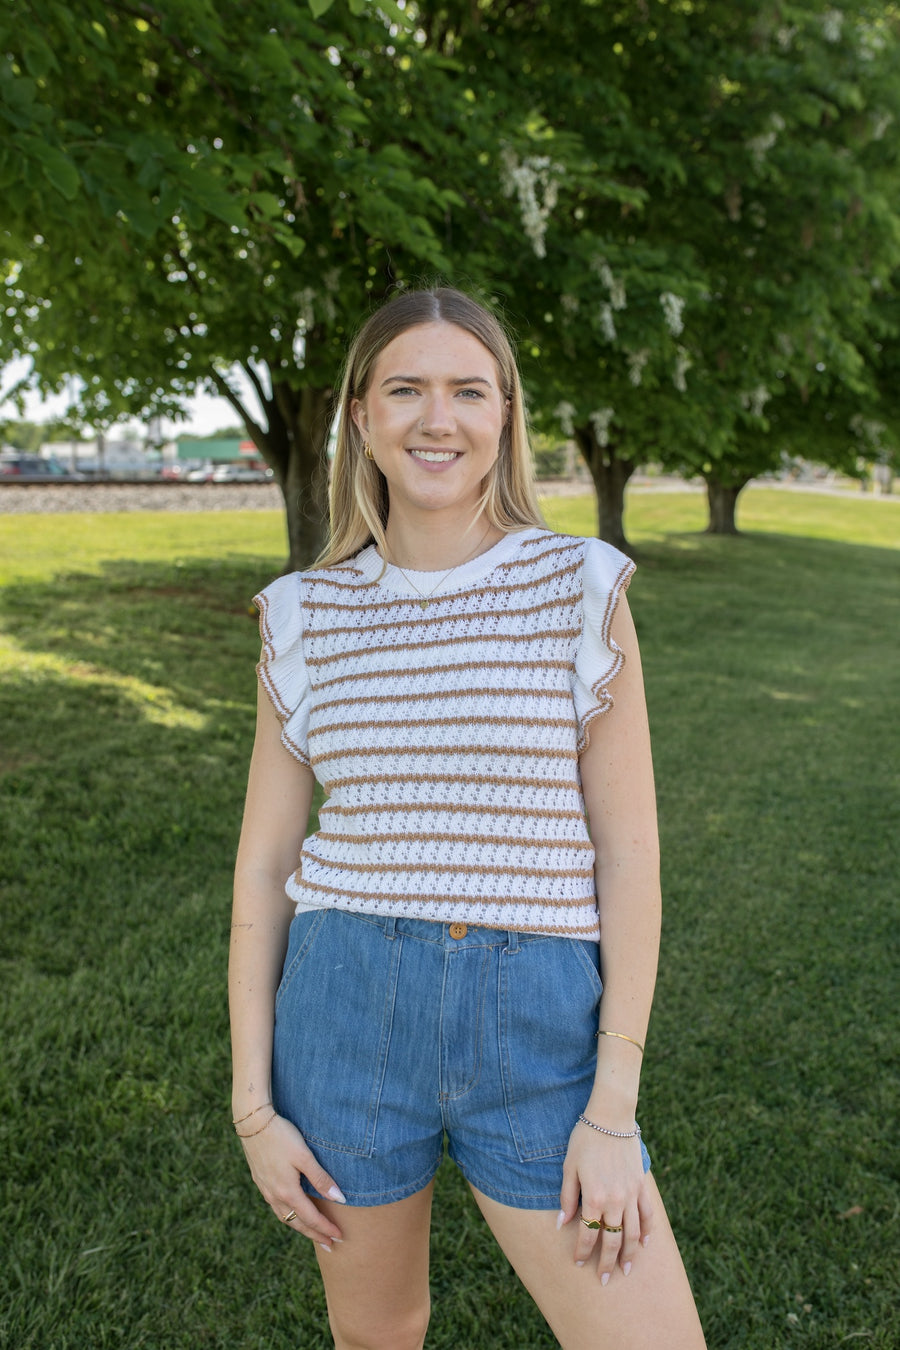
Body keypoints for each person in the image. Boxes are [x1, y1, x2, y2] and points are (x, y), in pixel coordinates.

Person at [229, 286, 707, 1350]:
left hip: (538, 1030)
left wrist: (614, 1107)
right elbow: (263, 869)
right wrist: (253, 1106)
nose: (435, 419)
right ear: (360, 416)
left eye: (466, 391)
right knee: (380, 1334)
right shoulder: (302, 616)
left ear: (505, 415)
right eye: (405, 389)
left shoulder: (580, 588)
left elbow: (630, 857)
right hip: (344, 1010)